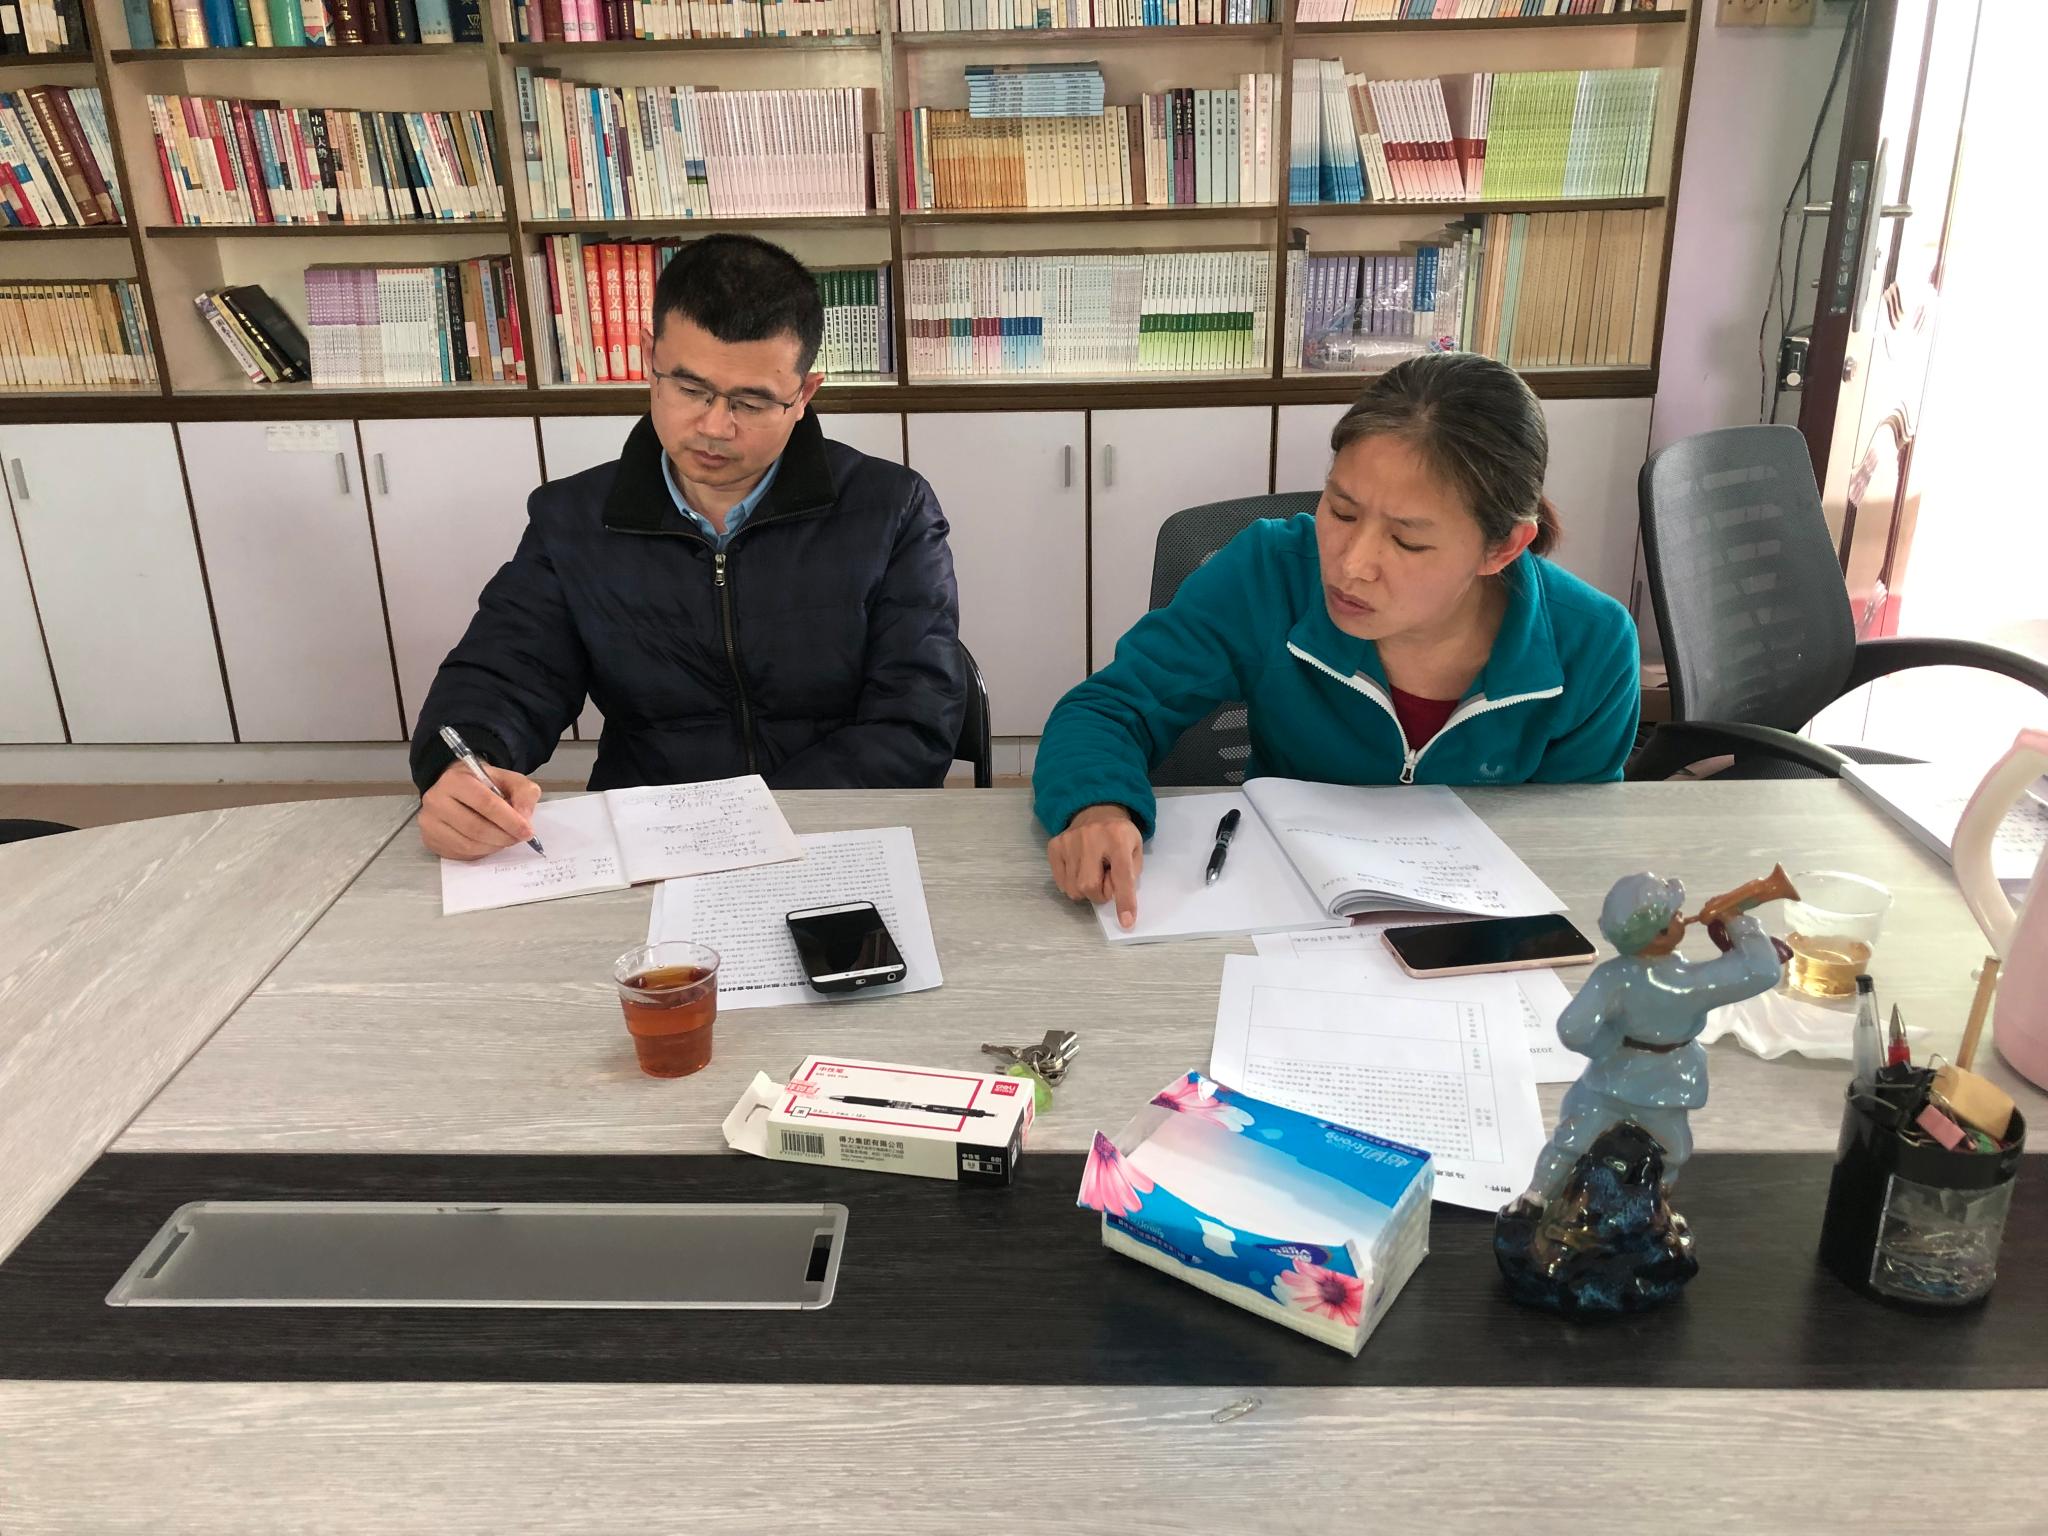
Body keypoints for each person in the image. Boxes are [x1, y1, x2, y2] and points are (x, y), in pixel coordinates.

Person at [1035, 350, 1640, 927]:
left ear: (1503, 547)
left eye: (1407, 541)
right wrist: (1098, 806)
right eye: (1342, 512)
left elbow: (1569, 844)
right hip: (1279, 911)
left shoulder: (1590, 644)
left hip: (1467, 931)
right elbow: (1107, 710)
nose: (1351, 565)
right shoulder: (1268, 573)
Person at [412, 234, 965, 860]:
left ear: (804, 395)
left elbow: (915, 717)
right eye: (690, 388)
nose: (714, 426)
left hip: (828, 828)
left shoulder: (891, 509)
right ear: (650, 359)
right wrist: (464, 765)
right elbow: (508, 668)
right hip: (650, 838)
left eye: (752, 401)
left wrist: (749, 827)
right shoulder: (574, 519)